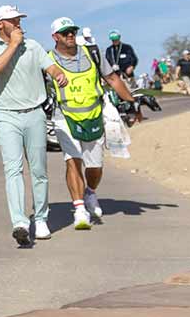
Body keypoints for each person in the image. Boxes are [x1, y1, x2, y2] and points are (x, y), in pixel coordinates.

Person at [45, 18, 135, 231]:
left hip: (93, 115)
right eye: (65, 32)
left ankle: (90, 192)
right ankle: (79, 210)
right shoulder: (47, 60)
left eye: (72, 31)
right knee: (73, 160)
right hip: (64, 116)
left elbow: (112, 79)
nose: (70, 35)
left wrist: (132, 102)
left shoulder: (91, 53)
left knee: (94, 167)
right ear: (55, 36)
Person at [0, 5, 53, 247]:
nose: (18, 23)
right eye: (13, 20)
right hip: (6, 115)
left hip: (35, 113)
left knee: (39, 169)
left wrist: (58, 73)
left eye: (19, 19)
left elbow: (49, 66)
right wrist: (12, 45)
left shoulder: (33, 46)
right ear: (0, 24)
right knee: (13, 169)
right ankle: (20, 223)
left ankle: (41, 219)